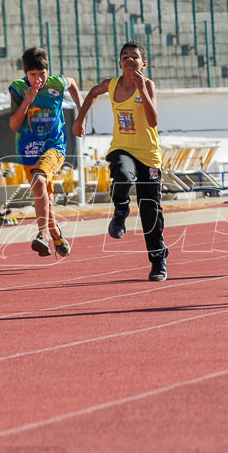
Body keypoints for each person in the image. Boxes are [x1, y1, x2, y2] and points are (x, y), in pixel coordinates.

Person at [73, 41, 168, 281]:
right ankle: (121, 209)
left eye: (134, 56)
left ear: (143, 64)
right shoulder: (111, 84)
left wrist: (142, 90)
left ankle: (158, 261)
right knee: (123, 176)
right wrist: (80, 119)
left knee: (150, 211)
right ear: (119, 63)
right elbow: (93, 92)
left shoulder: (147, 85)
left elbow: (153, 120)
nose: (129, 59)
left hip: (148, 155)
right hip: (122, 147)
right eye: (124, 56)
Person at [9, 47, 82, 259]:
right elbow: (14, 124)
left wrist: (80, 114)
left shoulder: (56, 83)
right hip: (28, 149)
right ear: (25, 72)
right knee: (45, 197)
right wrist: (27, 100)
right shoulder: (18, 88)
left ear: (48, 70)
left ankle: (41, 235)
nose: (38, 79)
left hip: (54, 146)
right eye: (33, 75)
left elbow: (73, 83)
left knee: (39, 180)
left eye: (42, 74)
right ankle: (57, 236)